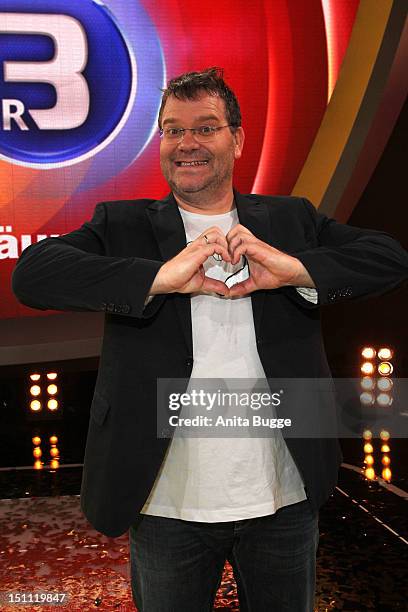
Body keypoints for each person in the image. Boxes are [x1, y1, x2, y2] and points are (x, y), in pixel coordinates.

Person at [12, 67, 407, 611]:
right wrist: (157, 279)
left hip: (283, 500)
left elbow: (389, 258)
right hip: (166, 504)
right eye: (173, 130)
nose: (187, 143)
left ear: (237, 139)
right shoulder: (124, 224)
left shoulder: (289, 219)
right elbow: (32, 275)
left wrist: (293, 270)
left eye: (206, 127)